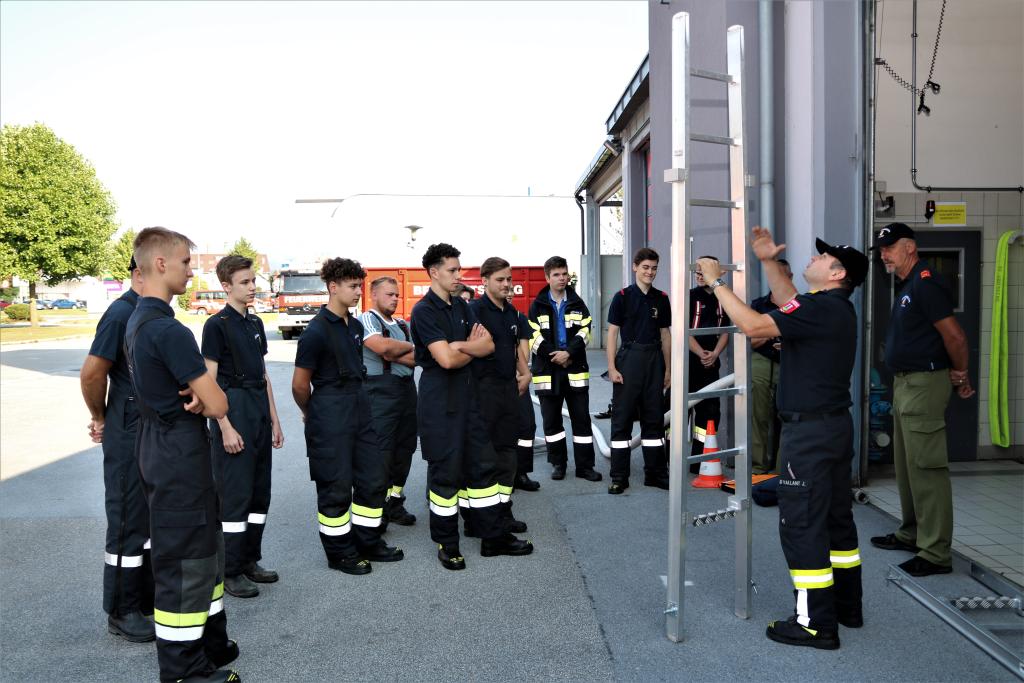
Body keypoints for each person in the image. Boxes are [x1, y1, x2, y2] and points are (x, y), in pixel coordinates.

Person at [696, 227, 868, 650]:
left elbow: (753, 324)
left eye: (822, 257)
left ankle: (814, 624)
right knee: (836, 521)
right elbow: (788, 299)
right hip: (832, 428)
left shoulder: (820, 308)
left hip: (808, 434)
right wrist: (768, 261)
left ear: (837, 273)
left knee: (802, 525)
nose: (814, 257)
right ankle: (846, 607)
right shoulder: (830, 307)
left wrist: (715, 282)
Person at [125, 227, 239, 682]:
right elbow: (218, 404)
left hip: (165, 446)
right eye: (186, 262)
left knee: (204, 551)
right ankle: (183, 670)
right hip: (177, 454)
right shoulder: (166, 329)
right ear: (160, 264)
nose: (191, 271)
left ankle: (210, 645)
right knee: (185, 560)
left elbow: (200, 397)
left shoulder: (139, 320)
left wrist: (200, 395)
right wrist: (206, 397)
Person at [411, 243, 532, 570]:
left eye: (458, 269)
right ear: (434, 272)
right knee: (446, 476)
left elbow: (488, 345)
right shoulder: (424, 311)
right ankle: (448, 545)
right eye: (452, 270)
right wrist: (469, 347)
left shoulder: (462, 307)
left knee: (484, 469)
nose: (458, 275)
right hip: (440, 404)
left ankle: (493, 538)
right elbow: (447, 360)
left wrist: (460, 345)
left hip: (469, 399)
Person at [869, 222, 973, 577]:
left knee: (927, 469)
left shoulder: (926, 284)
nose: (885, 255)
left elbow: (955, 337)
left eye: (890, 247)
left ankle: (935, 552)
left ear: (910, 247)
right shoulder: (909, 285)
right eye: (882, 250)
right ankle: (912, 533)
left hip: (924, 384)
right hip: (905, 384)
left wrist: (960, 373)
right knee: (907, 466)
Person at [291, 258, 403, 576]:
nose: (358, 292)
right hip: (329, 412)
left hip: (359, 407)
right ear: (333, 287)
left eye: (359, 286)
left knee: (372, 479)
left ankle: (368, 542)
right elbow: (299, 385)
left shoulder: (353, 327)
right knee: (335, 487)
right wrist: (311, 412)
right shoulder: (315, 332)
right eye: (353, 286)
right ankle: (339, 553)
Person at [80, 255, 154, 643]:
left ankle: (143, 599)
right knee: (127, 518)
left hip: (148, 429)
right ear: (139, 273)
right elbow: (93, 373)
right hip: (127, 430)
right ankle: (122, 610)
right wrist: (100, 416)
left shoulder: (147, 312)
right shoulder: (121, 313)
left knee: (146, 519)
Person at [201, 255, 285, 599]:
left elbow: (263, 375)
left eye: (253, 281)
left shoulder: (255, 323)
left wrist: (275, 419)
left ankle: (250, 559)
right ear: (226, 286)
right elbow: (208, 381)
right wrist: (224, 426)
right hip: (233, 411)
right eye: (244, 282)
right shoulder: (216, 325)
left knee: (258, 493)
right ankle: (230, 570)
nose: (252, 288)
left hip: (258, 412)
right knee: (234, 497)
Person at [469, 257, 532, 534]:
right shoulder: (474, 311)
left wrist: (525, 372)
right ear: (484, 281)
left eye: (509, 279)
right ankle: (479, 520)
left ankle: (503, 513)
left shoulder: (511, 312)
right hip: (483, 391)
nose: (507, 284)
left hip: (509, 390)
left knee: (508, 453)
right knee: (485, 458)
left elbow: (514, 347)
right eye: (501, 280)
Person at [527, 256, 601, 482]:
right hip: (547, 371)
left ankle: (585, 467)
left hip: (574, 368)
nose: (562, 278)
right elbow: (532, 337)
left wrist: (568, 353)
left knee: (581, 420)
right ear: (547, 277)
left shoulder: (578, 304)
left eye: (564, 274)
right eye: (556, 274)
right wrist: (556, 356)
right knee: (552, 422)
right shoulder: (537, 305)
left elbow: (586, 331)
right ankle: (558, 464)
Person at [605, 247, 672, 494]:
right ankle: (619, 477)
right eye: (645, 267)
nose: (650, 272)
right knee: (622, 420)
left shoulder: (661, 298)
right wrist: (612, 367)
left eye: (654, 268)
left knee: (654, 420)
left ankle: (655, 474)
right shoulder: (622, 297)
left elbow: (665, 335)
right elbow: (612, 334)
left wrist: (668, 370)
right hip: (629, 361)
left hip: (654, 362)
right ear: (635, 267)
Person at [359, 276, 418, 527]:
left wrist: (395, 352)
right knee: (381, 453)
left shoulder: (403, 325)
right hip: (380, 393)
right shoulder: (367, 319)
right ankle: (377, 509)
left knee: (404, 449)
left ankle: (395, 503)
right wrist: (397, 350)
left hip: (406, 391)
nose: (394, 299)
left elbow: (419, 357)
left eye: (396, 295)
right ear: (373, 295)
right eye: (389, 294)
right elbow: (381, 348)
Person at [748, 258, 793, 474]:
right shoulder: (758, 305)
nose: (783, 280)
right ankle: (758, 468)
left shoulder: (799, 306)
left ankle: (780, 470)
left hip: (791, 364)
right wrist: (773, 332)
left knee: (787, 417)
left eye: (787, 276)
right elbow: (751, 340)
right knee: (759, 416)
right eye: (779, 276)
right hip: (762, 363)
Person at [690, 256, 730, 472]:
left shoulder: (723, 297)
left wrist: (714, 354)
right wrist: (700, 353)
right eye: (697, 271)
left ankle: (699, 460)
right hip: (688, 362)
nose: (699, 275)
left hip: (710, 365)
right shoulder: (689, 297)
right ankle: (670, 460)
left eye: (703, 271)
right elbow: (681, 331)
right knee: (676, 411)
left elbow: (726, 331)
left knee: (709, 412)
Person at [510, 292, 540, 492]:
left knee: (527, 426)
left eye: (511, 289)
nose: (508, 292)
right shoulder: (482, 314)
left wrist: (521, 374)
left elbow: (524, 350)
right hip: (494, 383)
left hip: (519, 379)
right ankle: (504, 476)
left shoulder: (520, 318)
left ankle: (521, 474)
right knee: (501, 430)